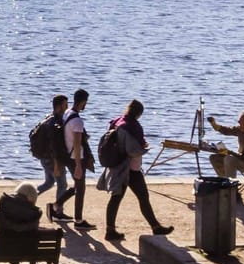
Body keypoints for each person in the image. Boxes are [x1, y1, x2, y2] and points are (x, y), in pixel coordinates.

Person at [103, 100, 175, 242]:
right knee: (142, 197)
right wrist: (145, 146)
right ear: (138, 113)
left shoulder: (117, 121)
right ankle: (155, 227)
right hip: (131, 168)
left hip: (118, 164)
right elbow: (137, 148)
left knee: (116, 198)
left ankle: (111, 230)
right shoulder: (134, 126)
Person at [57, 89, 95, 228]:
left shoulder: (67, 113)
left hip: (68, 156)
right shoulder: (78, 121)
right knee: (80, 188)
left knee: (78, 186)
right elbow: (77, 144)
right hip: (76, 158)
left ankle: (56, 205)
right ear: (83, 101)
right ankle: (78, 220)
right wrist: (79, 165)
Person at [33, 93, 70, 203]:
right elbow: (53, 146)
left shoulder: (48, 119)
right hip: (52, 159)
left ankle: (23, 199)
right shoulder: (55, 123)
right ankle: (58, 211)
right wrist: (57, 165)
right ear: (59, 107)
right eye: (65, 105)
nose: (67, 108)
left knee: (49, 183)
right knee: (62, 184)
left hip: (44, 157)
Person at [209, 111, 244, 181]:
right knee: (214, 158)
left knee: (229, 159)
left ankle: (231, 186)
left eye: (241, 121)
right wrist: (214, 124)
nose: (238, 122)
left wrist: (228, 152)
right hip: (242, 160)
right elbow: (227, 130)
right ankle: (224, 181)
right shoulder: (240, 130)